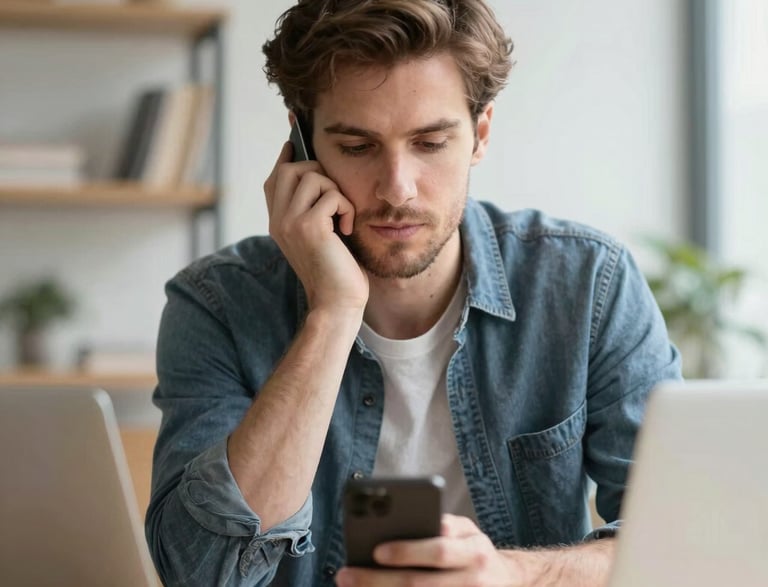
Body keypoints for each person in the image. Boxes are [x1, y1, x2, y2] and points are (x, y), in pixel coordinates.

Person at [145, 1, 681, 585]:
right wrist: (333, 312)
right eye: (356, 147)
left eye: (429, 143)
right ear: (302, 145)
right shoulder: (217, 303)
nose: (397, 189)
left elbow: (685, 544)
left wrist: (509, 576)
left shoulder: (588, 286)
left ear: (479, 134)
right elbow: (201, 573)